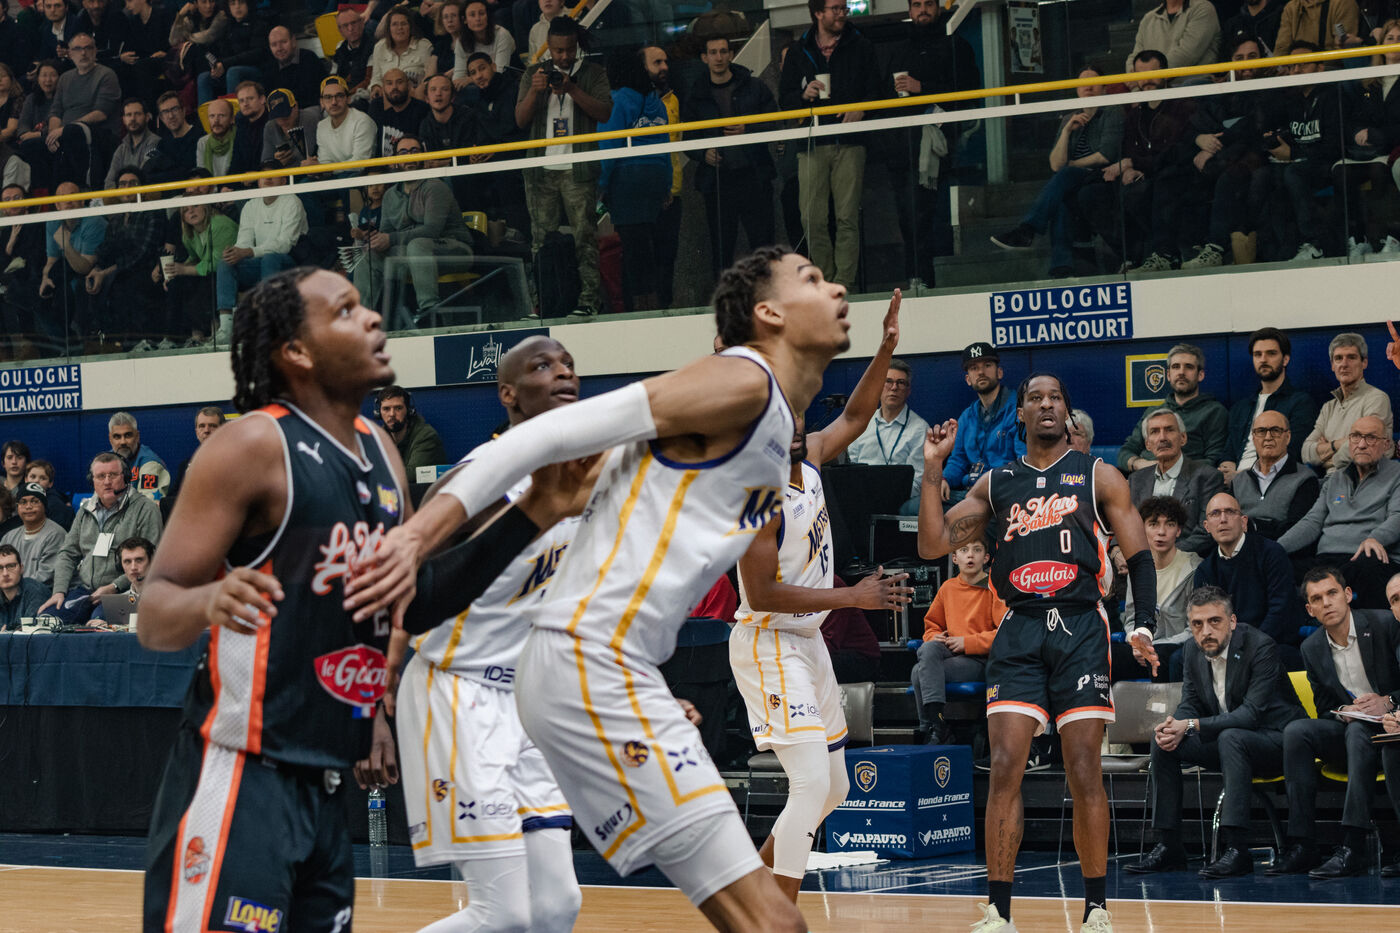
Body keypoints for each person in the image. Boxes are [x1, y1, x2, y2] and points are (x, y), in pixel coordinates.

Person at [343, 244, 861, 931]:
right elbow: (545, 437)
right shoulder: (746, 380)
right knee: (521, 912)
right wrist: (416, 535)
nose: (837, 288)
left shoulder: (768, 424)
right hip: (564, 666)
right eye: (812, 279)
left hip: (576, 668)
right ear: (769, 313)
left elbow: (587, 489)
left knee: (570, 909)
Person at [138, 266, 592, 933]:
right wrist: (210, 597)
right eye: (347, 310)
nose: (374, 317)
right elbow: (154, 613)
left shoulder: (380, 450)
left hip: (328, 783)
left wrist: (538, 511)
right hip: (240, 772)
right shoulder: (252, 445)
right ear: (297, 350)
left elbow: (417, 598)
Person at [917, 372, 1160, 933]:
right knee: (1005, 765)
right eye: (1035, 398)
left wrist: (1143, 625)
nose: (1046, 404)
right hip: (1020, 628)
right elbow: (932, 544)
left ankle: (1096, 908)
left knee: (1084, 768)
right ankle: (999, 911)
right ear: (1020, 414)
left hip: (1080, 626)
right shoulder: (997, 482)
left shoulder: (1098, 475)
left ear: (1067, 414)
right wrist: (933, 468)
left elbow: (1140, 557)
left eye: (1055, 397)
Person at [394, 335, 584, 933]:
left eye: (569, 364)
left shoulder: (585, 478)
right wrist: (373, 704)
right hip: (459, 694)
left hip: (530, 700)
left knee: (557, 906)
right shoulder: (477, 478)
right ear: (508, 395)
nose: (563, 373)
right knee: (502, 914)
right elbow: (403, 591)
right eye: (543, 366)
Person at [731, 288, 909, 901]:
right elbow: (760, 594)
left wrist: (885, 347)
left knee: (833, 789)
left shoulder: (808, 462)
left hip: (807, 642)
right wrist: (851, 598)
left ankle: (752, 897)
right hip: (767, 640)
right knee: (809, 786)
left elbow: (856, 417)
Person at [1127, 585, 1304, 877]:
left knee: (1231, 737)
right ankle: (1168, 845)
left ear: (1232, 621)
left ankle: (1237, 849)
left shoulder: (1261, 647)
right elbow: (1191, 703)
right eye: (1197, 624)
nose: (1206, 631)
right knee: (1163, 742)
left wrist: (1191, 725)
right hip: (1229, 744)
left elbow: (1250, 715)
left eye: (1214, 621)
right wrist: (1174, 726)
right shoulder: (1191, 650)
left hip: (1277, 741)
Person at [1271, 565, 1400, 878]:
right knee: (1297, 731)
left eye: (1331, 593)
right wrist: (1345, 710)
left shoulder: (1384, 623)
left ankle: (1353, 844)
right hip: (1351, 730)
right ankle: (1303, 844)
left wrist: (1387, 701)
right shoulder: (1311, 647)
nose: (1326, 602)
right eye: (1317, 599)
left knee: (1357, 732)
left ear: (1348, 595)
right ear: (1310, 610)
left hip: (1391, 726)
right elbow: (1324, 707)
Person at [777, 0, 882, 287]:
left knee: (846, 217)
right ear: (818, 13)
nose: (842, 13)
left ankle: (843, 284)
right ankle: (826, 279)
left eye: (843, 8)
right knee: (811, 218)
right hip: (812, 142)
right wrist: (804, 95)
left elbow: (877, 89)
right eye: (835, 8)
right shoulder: (799, 50)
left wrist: (862, 108)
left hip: (850, 141)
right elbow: (785, 99)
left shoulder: (861, 45)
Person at [515, 16, 612, 318]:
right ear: (548, 46)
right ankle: (543, 303)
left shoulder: (594, 73)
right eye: (558, 50)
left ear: (577, 45)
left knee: (585, 237)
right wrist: (535, 91)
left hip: (578, 168)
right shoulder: (533, 74)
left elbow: (605, 113)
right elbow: (520, 120)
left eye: (569, 49)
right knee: (540, 240)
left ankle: (589, 301)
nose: (564, 56)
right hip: (540, 169)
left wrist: (571, 89)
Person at [990, 66, 1123, 278]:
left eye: (1094, 82)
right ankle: (1062, 267)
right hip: (1073, 180)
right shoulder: (1069, 118)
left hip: (1102, 176)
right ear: (1076, 89)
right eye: (1082, 83)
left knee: (1066, 175)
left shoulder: (1112, 112)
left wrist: (1072, 164)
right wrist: (1066, 131)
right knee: (1061, 198)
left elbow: (1105, 155)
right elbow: (1055, 164)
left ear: (1104, 88)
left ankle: (1028, 230)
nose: (1088, 87)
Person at [886, 0, 982, 287]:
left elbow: (969, 92)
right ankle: (915, 277)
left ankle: (926, 279)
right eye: (917, 4)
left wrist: (923, 88)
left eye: (928, 3)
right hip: (902, 147)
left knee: (927, 213)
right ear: (909, 10)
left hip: (939, 147)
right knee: (907, 216)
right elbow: (883, 97)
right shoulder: (899, 51)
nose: (923, 10)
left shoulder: (956, 46)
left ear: (939, 7)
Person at [682, 35, 778, 280]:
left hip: (753, 174)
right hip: (718, 181)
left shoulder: (754, 86)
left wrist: (749, 130)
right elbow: (688, 139)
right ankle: (726, 297)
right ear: (704, 58)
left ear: (731, 54)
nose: (719, 57)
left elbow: (774, 122)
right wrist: (704, 154)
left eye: (723, 51)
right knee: (721, 246)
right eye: (713, 52)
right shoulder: (697, 95)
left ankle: (766, 294)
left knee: (763, 243)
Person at [1279, 415, 1400, 609]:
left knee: (1368, 565)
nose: (1362, 444)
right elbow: (1312, 522)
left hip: (1362, 558)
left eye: (1371, 438)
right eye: (1356, 437)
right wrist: (1276, 548)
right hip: (1327, 560)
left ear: (1386, 444)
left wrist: (1374, 538)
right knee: (1277, 564)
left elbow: (1397, 516)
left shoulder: (1397, 474)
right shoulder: (1336, 478)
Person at [359, 134, 472, 326]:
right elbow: (386, 232)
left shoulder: (435, 186)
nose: (409, 156)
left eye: (414, 151)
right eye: (403, 152)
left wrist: (391, 239)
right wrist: (376, 241)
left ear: (423, 155)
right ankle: (362, 321)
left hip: (454, 250)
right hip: (411, 254)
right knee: (368, 256)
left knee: (417, 245)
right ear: (395, 160)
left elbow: (432, 230)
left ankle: (430, 314)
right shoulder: (390, 195)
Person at [39, 451, 162, 624]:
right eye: (101, 476)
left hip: (125, 591)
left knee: (98, 623)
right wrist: (59, 591)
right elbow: (67, 553)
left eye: (113, 475)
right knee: (47, 622)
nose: (107, 481)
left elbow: (152, 559)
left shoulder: (145, 509)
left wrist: (115, 586)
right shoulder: (85, 510)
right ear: (92, 481)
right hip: (85, 591)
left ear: (126, 477)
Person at [597, 48, 671, 314]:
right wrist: (667, 184)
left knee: (632, 248)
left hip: (628, 179)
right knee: (649, 247)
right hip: (656, 177)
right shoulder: (656, 101)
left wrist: (600, 184)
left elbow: (609, 145)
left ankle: (637, 309)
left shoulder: (618, 99)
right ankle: (655, 304)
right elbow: (666, 146)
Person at [913, 540, 1006, 743]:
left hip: (980, 660)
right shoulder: (948, 588)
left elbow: (1005, 634)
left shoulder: (994, 588)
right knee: (928, 650)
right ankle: (938, 726)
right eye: (964, 550)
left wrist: (968, 642)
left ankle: (931, 728)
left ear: (986, 558)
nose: (970, 555)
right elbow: (932, 625)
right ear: (955, 558)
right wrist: (933, 635)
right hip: (950, 655)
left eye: (977, 550)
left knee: (918, 672)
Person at [1195, 491, 1305, 654]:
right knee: (1180, 658)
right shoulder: (1205, 570)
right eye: (1215, 513)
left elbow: (1280, 611)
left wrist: (1249, 648)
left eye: (1230, 512)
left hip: (1272, 644)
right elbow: (1207, 619)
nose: (1223, 519)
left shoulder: (1271, 553)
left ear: (1244, 522)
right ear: (1207, 526)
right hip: (1226, 647)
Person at [215, 165, 309, 346]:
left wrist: (249, 252)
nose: (268, 178)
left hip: (290, 263)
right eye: (264, 175)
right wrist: (235, 251)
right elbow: (244, 241)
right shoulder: (251, 205)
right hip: (260, 262)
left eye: (273, 174)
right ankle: (226, 326)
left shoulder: (292, 201)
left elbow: (284, 245)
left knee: (270, 258)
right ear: (258, 181)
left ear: (284, 180)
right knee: (226, 262)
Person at [1219, 327, 1319, 482]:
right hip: (1233, 483)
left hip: (1274, 481)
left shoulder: (1300, 403)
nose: (1263, 359)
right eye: (1257, 354)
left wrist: (1241, 477)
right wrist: (1228, 475)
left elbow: (1290, 454)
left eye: (1271, 353)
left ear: (1285, 359)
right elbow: (1228, 453)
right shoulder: (1241, 408)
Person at [1126, 408, 1224, 555]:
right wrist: (1116, 550)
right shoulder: (1137, 479)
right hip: (1142, 559)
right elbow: (1125, 525)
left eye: (1169, 430)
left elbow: (1207, 531)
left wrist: (1166, 556)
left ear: (1183, 438)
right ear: (1148, 445)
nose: (1162, 438)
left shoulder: (1207, 477)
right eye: (1155, 432)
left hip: (1187, 559)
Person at [1118, 343, 1229, 471]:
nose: (1181, 372)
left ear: (1200, 375)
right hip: (1145, 475)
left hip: (1188, 478)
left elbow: (1214, 461)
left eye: (1189, 367)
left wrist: (1167, 468)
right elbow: (1126, 452)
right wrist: (1138, 464)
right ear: (1168, 375)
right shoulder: (1153, 412)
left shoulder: (1214, 412)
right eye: (1176, 367)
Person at [1123, 496, 1202, 678]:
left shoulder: (1195, 568)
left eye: (1170, 524)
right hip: (1142, 650)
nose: (1161, 532)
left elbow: (1195, 628)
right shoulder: (1137, 569)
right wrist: (1136, 641)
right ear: (1143, 528)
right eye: (1153, 524)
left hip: (1175, 649)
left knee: (1165, 658)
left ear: (1179, 530)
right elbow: (1131, 618)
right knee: (1107, 655)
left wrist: (1154, 646)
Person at [844, 358, 931, 513]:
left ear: (908, 391)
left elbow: (918, 481)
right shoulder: (862, 425)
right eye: (888, 381)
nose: (894, 388)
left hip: (901, 500)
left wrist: (886, 496)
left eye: (901, 383)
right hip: (863, 498)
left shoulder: (920, 429)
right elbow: (852, 468)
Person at [942, 342, 1025, 503]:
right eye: (974, 368)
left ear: (999, 372)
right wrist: (945, 479)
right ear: (968, 379)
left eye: (987, 365)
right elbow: (958, 461)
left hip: (1004, 494)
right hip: (969, 493)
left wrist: (987, 484)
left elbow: (1024, 462)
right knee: (915, 506)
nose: (981, 372)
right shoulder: (967, 416)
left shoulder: (1019, 410)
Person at [1303, 332, 1393, 475]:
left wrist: (1327, 459)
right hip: (1328, 482)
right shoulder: (1328, 407)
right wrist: (1337, 445)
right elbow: (1306, 452)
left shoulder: (1376, 398)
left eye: (1351, 357)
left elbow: (1369, 447)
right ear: (1332, 365)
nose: (1344, 364)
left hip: (1364, 478)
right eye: (1338, 358)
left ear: (1364, 363)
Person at [39, 33, 120, 188]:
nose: (83, 53)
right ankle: (49, 195)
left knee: (72, 132)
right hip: (66, 132)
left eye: (88, 48)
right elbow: (56, 111)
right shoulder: (65, 78)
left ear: (95, 51)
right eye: (77, 49)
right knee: (31, 145)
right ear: (70, 54)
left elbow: (101, 113)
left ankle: (83, 188)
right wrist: (53, 134)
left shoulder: (106, 75)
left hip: (99, 133)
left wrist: (64, 129)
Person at [1231, 410, 1320, 540]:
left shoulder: (1305, 479)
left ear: (1287, 437)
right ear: (1253, 438)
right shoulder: (1239, 480)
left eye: (1275, 431)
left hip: (1280, 549)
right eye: (1261, 431)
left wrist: (1253, 526)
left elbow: (1297, 529)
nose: (1268, 437)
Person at [1, 483, 64, 588]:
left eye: (34, 501)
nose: (28, 507)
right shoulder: (9, 537)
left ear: (44, 505)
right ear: (17, 507)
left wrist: (13, 589)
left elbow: (45, 578)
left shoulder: (56, 534)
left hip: (44, 592)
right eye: (23, 502)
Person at [1128, 0, 1221, 71]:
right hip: (1151, 84)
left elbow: (1186, 54)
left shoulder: (1203, 9)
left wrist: (1149, 77)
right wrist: (1134, 78)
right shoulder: (1148, 18)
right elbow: (1134, 57)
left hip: (1193, 86)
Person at [165, 405, 225, 516]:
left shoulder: (233, 461)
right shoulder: (186, 465)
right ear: (196, 432)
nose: (206, 430)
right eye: (202, 426)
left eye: (212, 426)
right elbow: (172, 498)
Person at [375, 384, 446, 474]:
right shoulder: (377, 438)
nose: (392, 414)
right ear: (379, 413)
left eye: (398, 408)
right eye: (386, 409)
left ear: (409, 411)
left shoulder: (426, 436)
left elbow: (413, 474)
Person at [369, 7, 436, 96]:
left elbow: (429, 78)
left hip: (415, 96)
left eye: (403, 24)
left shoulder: (424, 46)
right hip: (387, 97)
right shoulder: (380, 47)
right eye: (395, 24)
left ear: (410, 27)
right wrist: (376, 87)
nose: (400, 28)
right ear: (389, 29)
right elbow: (376, 78)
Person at [261, 26, 327, 115]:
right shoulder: (269, 68)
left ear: (293, 41)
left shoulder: (309, 58)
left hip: (309, 109)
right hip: (283, 114)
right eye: (274, 45)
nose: (279, 48)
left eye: (283, 42)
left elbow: (318, 92)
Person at [108, 411, 171, 502]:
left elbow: (147, 505)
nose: (123, 442)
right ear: (110, 439)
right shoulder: (107, 461)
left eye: (128, 435)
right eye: (117, 437)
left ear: (137, 436)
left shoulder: (150, 464)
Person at [316, 75, 377, 165]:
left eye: (339, 96)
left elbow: (360, 163)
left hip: (363, 172)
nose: (334, 102)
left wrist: (326, 169)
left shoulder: (362, 121)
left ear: (348, 99)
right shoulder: (322, 126)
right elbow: (325, 160)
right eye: (328, 97)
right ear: (322, 102)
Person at [103, 99, 159, 192]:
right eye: (129, 115)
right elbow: (109, 182)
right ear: (124, 120)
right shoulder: (121, 149)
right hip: (123, 198)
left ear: (147, 117)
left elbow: (144, 178)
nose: (133, 118)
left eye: (137, 114)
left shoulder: (155, 142)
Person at [147, 91, 199, 183]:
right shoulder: (162, 144)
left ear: (183, 111)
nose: (171, 116)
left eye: (174, 109)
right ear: (161, 118)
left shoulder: (199, 137)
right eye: (165, 112)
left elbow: (190, 173)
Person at [261, 88, 318, 166]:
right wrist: (276, 163)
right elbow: (265, 163)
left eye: (286, 114)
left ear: (296, 106)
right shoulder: (270, 126)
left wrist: (279, 165)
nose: (282, 119)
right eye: (277, 115)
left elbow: (306, 156)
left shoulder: (309, 119)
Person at [0, 543, 47, 630]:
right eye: (0, 568)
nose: (5, 573)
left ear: (21, 568)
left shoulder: (35, 591)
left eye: (11, 566)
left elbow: (29, 633)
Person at [331, 6, 374, 101]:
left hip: (365, 95)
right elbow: (333, 78)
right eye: (345, 25)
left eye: (353, 23)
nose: (350, 28)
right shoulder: (340, 50)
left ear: (362, 23)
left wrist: (346, 95)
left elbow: (369, 80)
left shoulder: (374, 46)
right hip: (342, 96)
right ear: (340, 30)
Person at [195, 96, 235, 175]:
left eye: (221, 115)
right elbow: (201, 174)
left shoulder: (239, 138)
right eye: (212, 116)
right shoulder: (202, 142)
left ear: (232, 119)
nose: (216, 120)